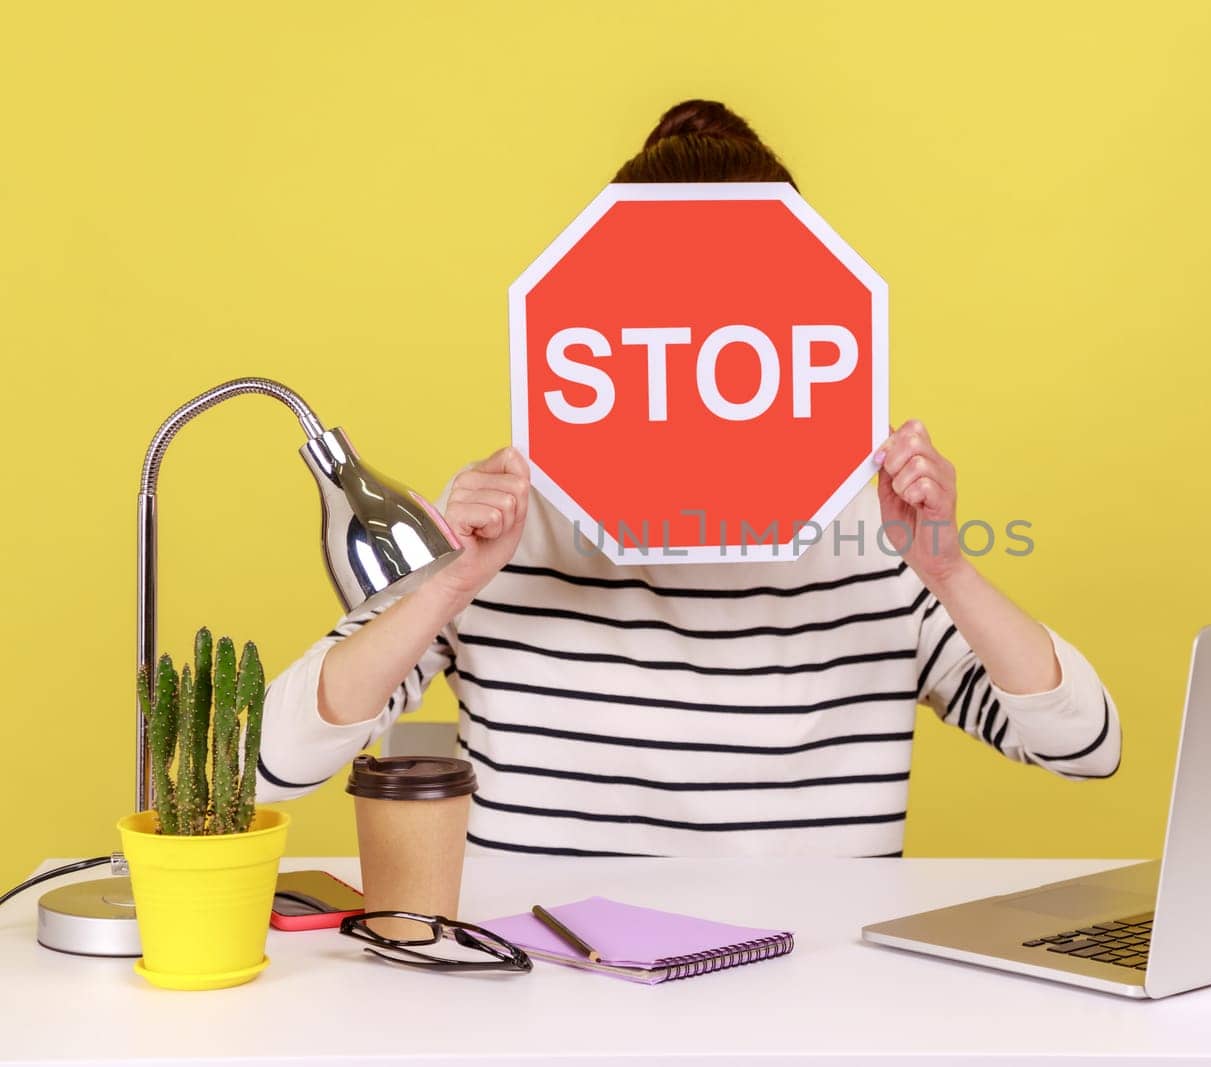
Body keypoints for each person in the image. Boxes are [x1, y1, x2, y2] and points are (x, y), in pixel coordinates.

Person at [257, 100, 1120, 857]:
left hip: (815, 1006)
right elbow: (273, 761)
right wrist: (450, 586)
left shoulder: (876, 535)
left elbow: (1086, 744)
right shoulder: (506, 528)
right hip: (548, 999)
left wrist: (949, 571)